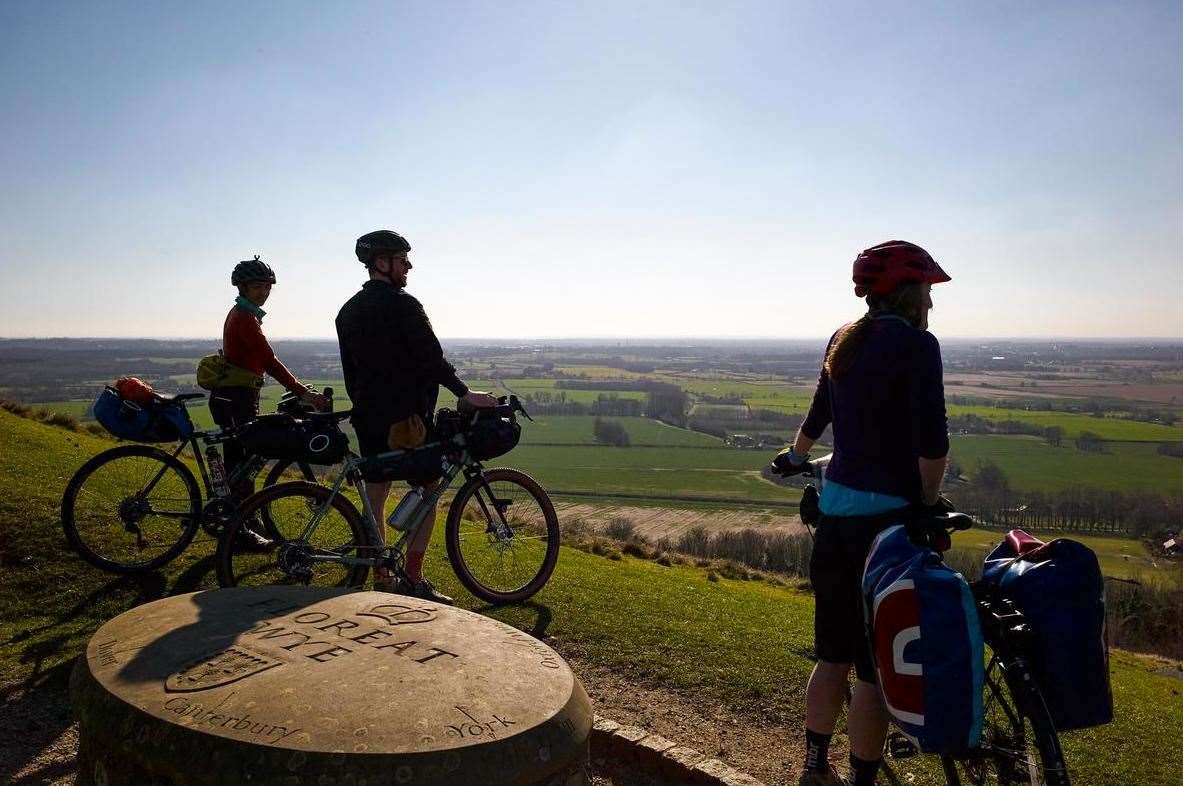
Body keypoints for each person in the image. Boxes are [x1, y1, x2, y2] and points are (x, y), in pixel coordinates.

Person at [781, 241, 951, 786]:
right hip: (888, 533)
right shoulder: (918, 347)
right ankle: (862, 780)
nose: (931, 299)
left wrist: (796, 456)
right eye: (926, 289)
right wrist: (927, 504)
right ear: (909, 291)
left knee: (831, 655)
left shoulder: (842, 341)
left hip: (835, 524)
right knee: (873, 672)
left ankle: (814, 767)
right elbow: (933, 445)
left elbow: (819, 413)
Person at [336, 230, 498, 603]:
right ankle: (412, 578)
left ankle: (380, 574)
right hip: (406, 418)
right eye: (401, 258)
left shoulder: (347, 311)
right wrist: (464, 393)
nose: (408, 265)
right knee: (427, 489)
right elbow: (431, 359)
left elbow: (351, 371)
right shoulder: (404, 305)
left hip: (367, 417)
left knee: (376, 494)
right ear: (382, 263)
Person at [211, 256, 328, 547]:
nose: (263, 292)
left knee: (240, 462)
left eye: (267, 286)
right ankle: (239, 531)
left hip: (235, 398)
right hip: (237, 399)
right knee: (245, 460)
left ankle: (240, 520)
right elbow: (269, 361)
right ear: (242, 287)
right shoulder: (245, 319)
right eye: (256, 286)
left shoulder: (242, 314)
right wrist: (304, 393)